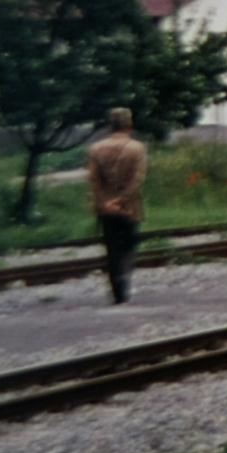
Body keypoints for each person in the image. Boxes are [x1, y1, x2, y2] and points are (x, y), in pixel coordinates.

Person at [86, 107, 147, 305]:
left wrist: (105, 201)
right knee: (128, 245)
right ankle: (124, 281)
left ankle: (116, 290)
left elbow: (93, 180)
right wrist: (120, 200)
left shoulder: (96, 149)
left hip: (105, 208)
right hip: (129, 207)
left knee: (111, 247)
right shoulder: (136, 148)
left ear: (110, 125)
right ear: (129, 124)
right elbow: (137, 179)